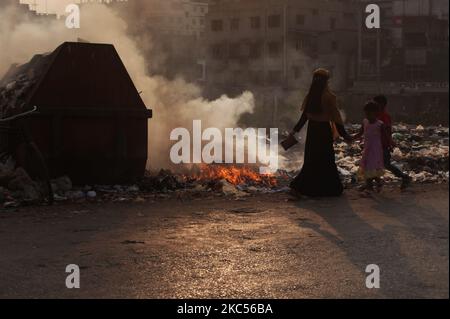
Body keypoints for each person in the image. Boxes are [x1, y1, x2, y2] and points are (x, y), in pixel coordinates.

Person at [289, 68, 352, 197]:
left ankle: (303, 188)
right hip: (323, 131)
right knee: (326, 160)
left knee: (311, 160)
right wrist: (345, 135)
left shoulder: (310, 96)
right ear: (327, 81)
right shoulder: (329, 97)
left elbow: (304, 117)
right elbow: (337, 118)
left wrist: (294, 131)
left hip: (313, 131)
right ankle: (328, 189)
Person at [373, 95, 412, 189]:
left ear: (382, 104)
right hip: (376, 144)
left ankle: (404, 177)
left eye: (376, 103)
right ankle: (376, 182)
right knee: (374, 163)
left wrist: (390, 143)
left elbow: (386, 131)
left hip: (383, 144)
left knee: (385, 164)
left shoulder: (384, 116)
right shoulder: (376, 115)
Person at [354, 101, 389, 192]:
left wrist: (390, 145)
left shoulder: (380, 124)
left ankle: (369, 186)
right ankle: (377, 182)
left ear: (376, 113)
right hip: (367, 149)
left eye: (369, 113)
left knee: (371, 167)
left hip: (376, 150)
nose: (367, 115)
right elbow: (360, 133)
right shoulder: (365, 122)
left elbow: (386, 136)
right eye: (366, 113)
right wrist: (351, 138)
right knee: (368, 167)